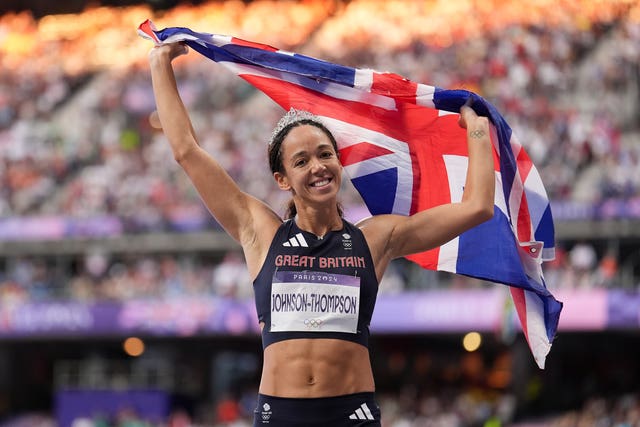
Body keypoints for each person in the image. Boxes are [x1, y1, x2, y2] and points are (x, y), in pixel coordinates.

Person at [148, 41, 495, 427]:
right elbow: (186, 151)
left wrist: (477, 130)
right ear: (282, 179)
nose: (318, 167)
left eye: (325, 154)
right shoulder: (259, 231)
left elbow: (476, 206)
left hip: (352, 414)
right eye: (301, 161)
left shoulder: (375, 239)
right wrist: (160, 63)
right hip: (280, 414)